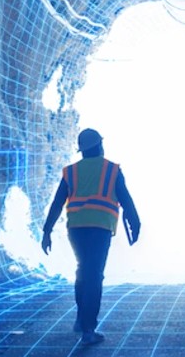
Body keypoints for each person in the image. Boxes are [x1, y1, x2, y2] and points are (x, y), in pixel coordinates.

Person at [42, 128, 141, 347]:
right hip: (100, 228)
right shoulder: (111, 170)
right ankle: (89, 329)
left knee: (83, 271)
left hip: (76, 229)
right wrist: (135, 223)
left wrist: (47, 231)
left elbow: (57, 203)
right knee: (94, 275)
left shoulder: (71, 172)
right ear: (100, 146)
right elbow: (125, 199)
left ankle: (81, 319)